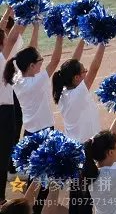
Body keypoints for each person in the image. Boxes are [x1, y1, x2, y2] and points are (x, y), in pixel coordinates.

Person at [4, 30, 65, 214]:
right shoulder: (35, 82)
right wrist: (60, 35)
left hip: (30, 132)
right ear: (31, 66)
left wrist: (36, 28)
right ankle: (38, 209)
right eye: (40, 61)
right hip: (44, 133)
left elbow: (30, 53)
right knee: (42, 177)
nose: (42, 63)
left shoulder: (17, 79)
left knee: (35, 174)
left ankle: (30, 206)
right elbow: (56, 60)